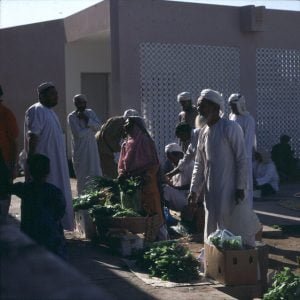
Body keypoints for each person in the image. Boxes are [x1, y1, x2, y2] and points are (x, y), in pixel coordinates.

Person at [188, 89, 248, 242]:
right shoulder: (203, 132)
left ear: (215, 107)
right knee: (211, 226)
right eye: (198, 106)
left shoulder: (230, 127)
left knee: (230, 229)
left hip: (229, 189)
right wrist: (194, 190)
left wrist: (240, 187)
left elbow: (242, 159)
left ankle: (233, 262)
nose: (199, 109)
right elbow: (199, 164)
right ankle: (212, 261)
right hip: (210, 190)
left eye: (203, 106)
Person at [24, 82, 74, 230]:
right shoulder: (37, 110)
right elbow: (33, 136)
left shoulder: (50, 112)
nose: (56, 97)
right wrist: (32, 160)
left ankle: (57, 225)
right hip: (43, 165)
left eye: (56, 94)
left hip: (56, 162)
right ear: (42, 96)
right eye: (52, 94)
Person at [0, 154, 66, 259]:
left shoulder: (24, 189)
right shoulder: (55, 192)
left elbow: (6, 187)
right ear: (48, 172)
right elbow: (60, 211)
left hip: (30, 233)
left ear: (30, 171)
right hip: (50, 235)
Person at [118, 116, 164, 231]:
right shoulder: (125, 144)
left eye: (129, 124)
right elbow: (121, 163)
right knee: (133, 212)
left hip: (146, 181)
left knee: (150, 211)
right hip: (131, 183)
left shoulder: (145, 141)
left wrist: (146, 176)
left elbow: (154, 163)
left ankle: (155, 234)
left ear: (136, 126)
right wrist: (122, 174)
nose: (125, 126)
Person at [68, 94, 102, 195]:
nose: (82, 105)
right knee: (82, 175)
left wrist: (87, 119)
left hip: (92, 149)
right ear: (75, 104)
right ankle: (83, 200)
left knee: (94, 172)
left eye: (83, 103)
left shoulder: (90, 113)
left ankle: (96, 197)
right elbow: (78, 134)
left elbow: (99, 127)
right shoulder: (72, 116)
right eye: (79, 103)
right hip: (80, 150)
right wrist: (90, 127)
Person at [228, 93, 256, 207]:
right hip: (231, 157)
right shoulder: (231, 117)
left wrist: (241, 158)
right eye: (230, 105)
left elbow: (248, 143)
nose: (232, 108)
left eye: (233, 105)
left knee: (245, 185)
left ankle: (247, 210)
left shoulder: (248, 120)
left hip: (243, 158)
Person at [0, 84, 19, 217]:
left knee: (3, 196)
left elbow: (13, 141)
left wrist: (13, 166)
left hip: (4, 161)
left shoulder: (5, 113)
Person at [163, 143, 194, 212]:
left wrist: (175, 188)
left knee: (166, 189)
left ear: (179, 155)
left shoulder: (190, 165)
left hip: (188, 200)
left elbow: (193, 185)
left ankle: (166, 214)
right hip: (181, 196)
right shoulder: (176, 166)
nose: (171, 161)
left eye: (171, 158)